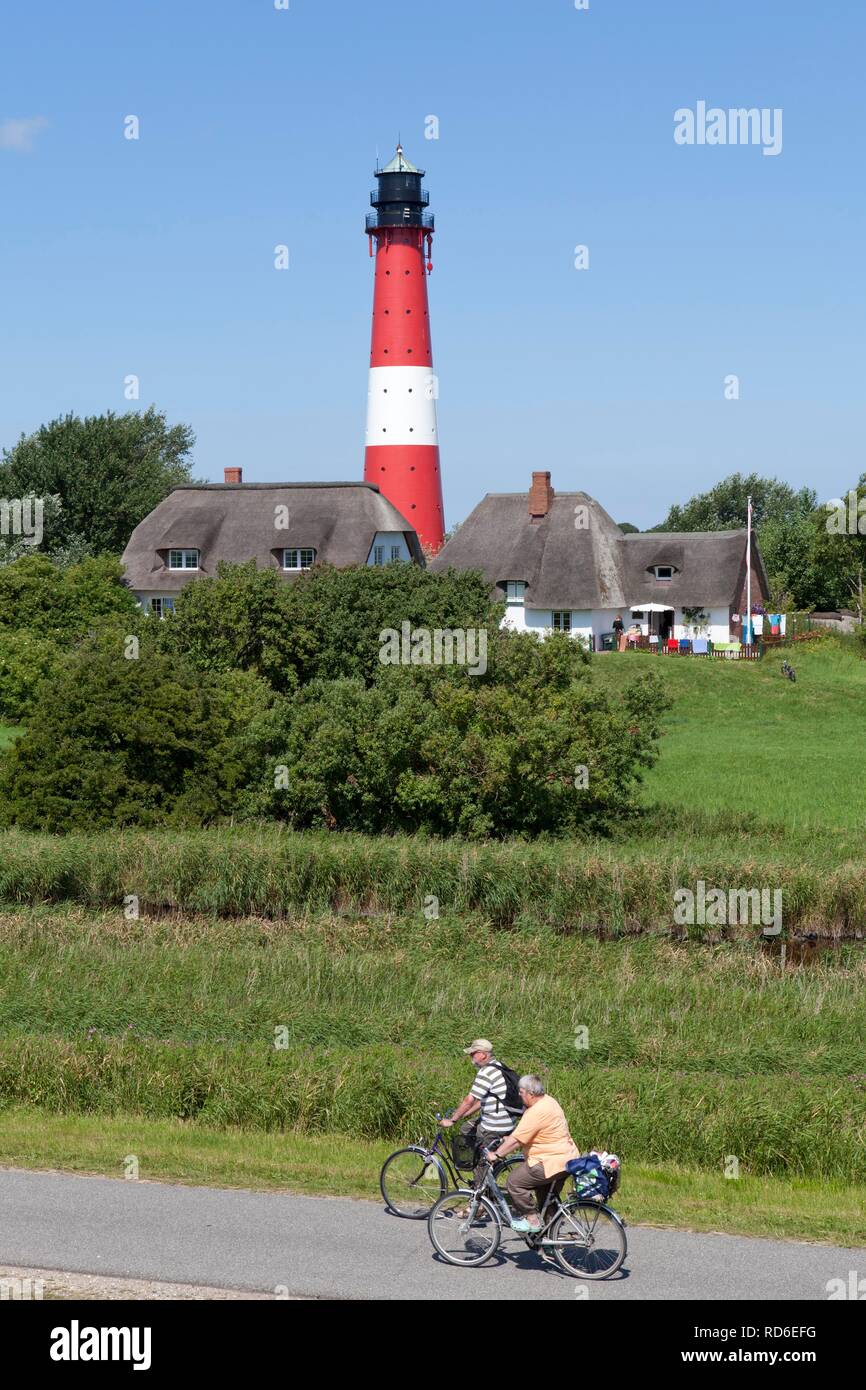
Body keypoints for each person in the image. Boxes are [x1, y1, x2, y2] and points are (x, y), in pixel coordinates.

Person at [485, 1075, 579, 1232]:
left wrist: (497, 1154)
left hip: (549, 1162)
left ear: (530, 1093)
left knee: (514, 1183)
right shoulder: (549, 1101)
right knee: (546, 1198)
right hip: (566, 1158)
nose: (520, 1096)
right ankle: (551, 1240)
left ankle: (532, 1220)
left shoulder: (536, 1111)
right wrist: (509, 1140)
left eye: (521, 1093)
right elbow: (532, 1133)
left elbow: (517, 1140)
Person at [439, 1038, 518, 1182]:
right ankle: (491, 1164)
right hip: (507, 1121)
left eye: (473, 1054)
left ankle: (479, 1196)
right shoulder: (499, 1066)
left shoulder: (486, 1072)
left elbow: (469, 1100)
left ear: (482, 1054)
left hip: (494, 1125)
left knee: (481, 1159)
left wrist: (452, 1120)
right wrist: (463, 1115)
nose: (471, 1057)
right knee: (465, 1128)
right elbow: (482, 1100)